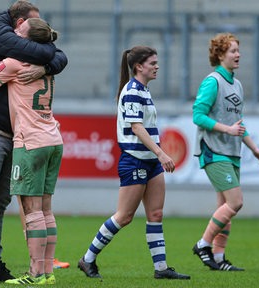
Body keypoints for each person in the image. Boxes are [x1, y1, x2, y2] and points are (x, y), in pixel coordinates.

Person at [0, 0, 67, 283]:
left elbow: (57, 55)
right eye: (30, 21)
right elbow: (55, 53)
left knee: (0, 202)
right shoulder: (7, 42)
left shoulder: (24, 54)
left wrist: (48, 65)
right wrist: (49, 64)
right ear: (18, 22)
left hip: (17, 135)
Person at [77, 46, 190, 280]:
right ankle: (87, 259)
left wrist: (157, 156)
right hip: (135, 161)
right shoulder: (132, 91)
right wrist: (161, 153)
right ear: (139, 66)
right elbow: (136, 127)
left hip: (150, 163)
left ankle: (161, 269)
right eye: (152, 63)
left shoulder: (144, 90)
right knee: (124, 216)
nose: (157, 67)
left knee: (156, 214)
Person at [191, 33, 259, 271]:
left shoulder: (237, 84)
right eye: (233, 51)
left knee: (225, 209)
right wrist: (227, 129)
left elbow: (238, 122)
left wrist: (254, 149)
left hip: (232, 152)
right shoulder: (212, 81)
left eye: (238, 50)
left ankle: (219, 258)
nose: (238, 55)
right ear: (221, 54)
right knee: (236, 202)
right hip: (214, 151)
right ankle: (203, 244)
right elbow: (198, 116)